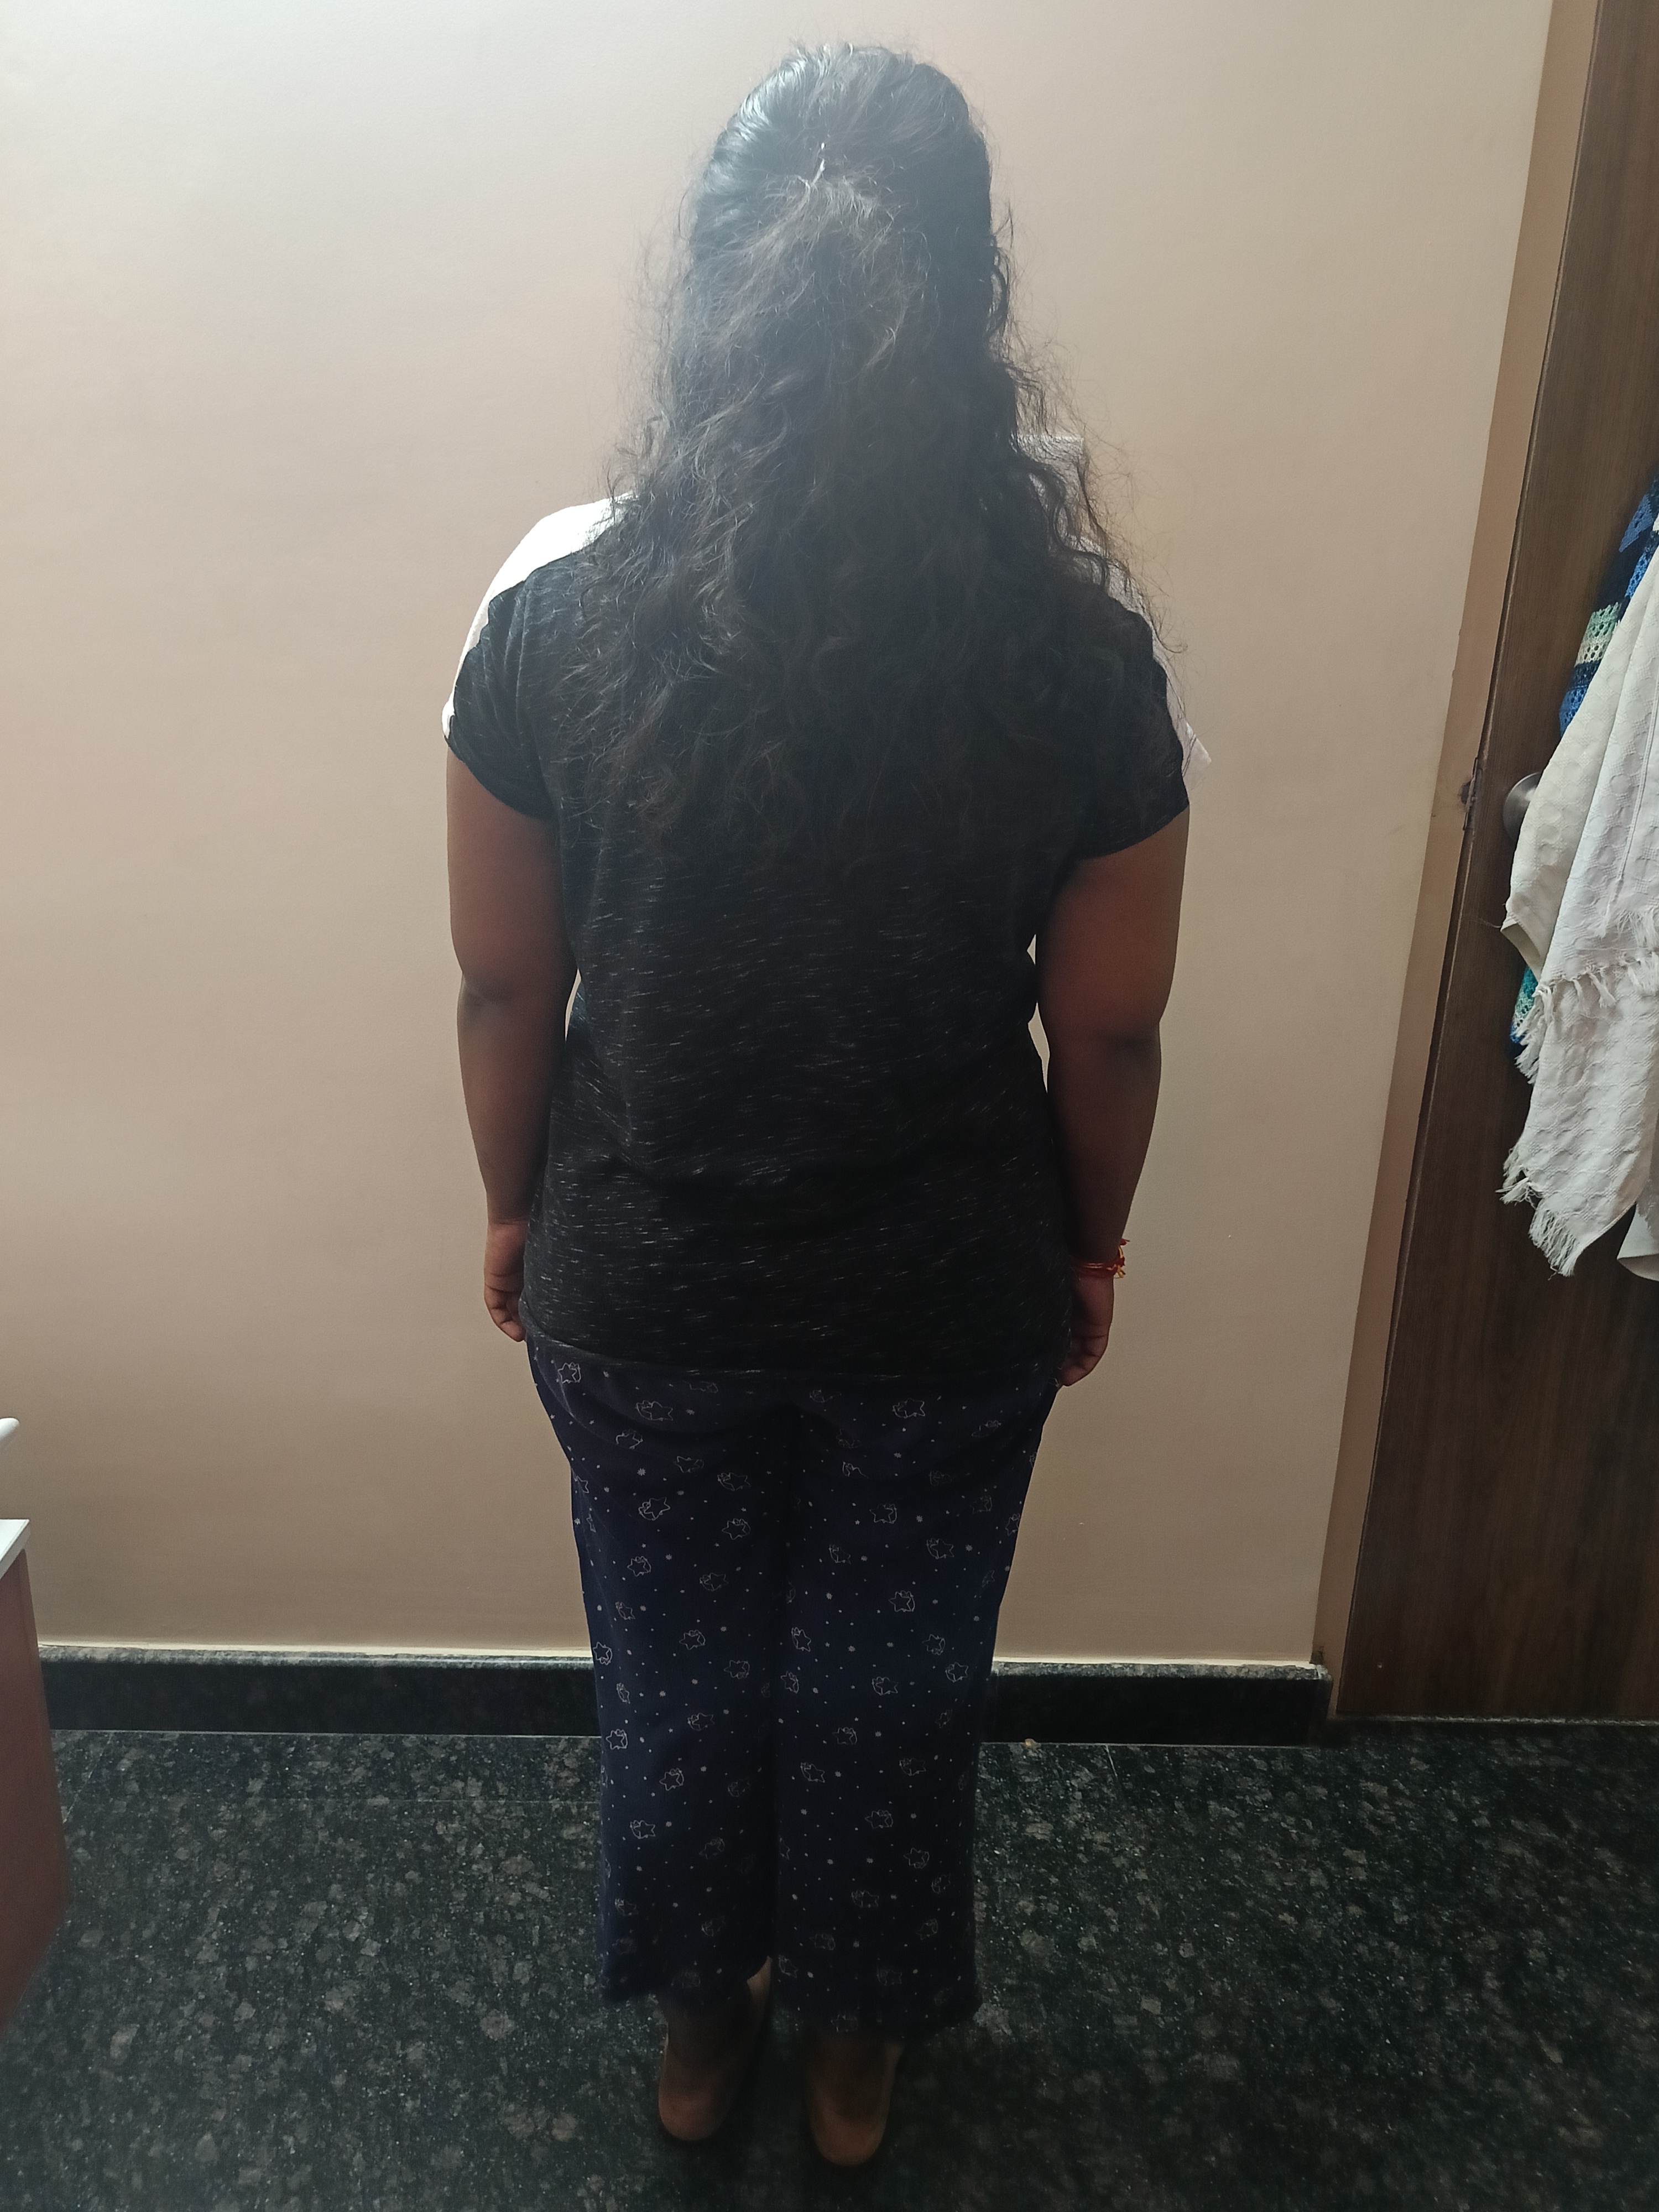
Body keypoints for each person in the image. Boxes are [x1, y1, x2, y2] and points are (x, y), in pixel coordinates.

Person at [443, 43, 1190, 2166]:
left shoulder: (553, 607)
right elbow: (1109, 1035)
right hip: (943, 1292)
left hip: (644, 1280)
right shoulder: (1078, 650)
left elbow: (507, 979)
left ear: (710, 292)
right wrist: (1093, 1242)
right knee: (892, 1683)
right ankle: (856, 2072)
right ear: (969, 294)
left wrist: (515, 1208)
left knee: (679, 1670)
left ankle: (704, 2043)